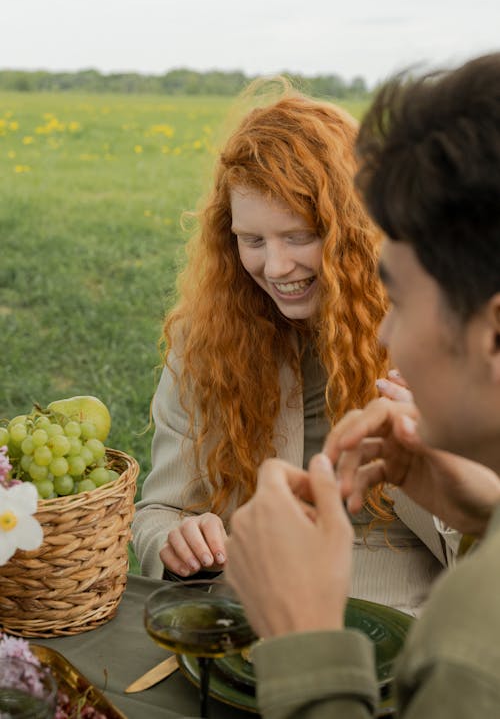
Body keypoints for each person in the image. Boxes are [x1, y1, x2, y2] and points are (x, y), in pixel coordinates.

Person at [225, 52, 500, 718]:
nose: (383, 337)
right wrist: (484, 516)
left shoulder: (468, 641)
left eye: (398, 300)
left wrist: (307, 645)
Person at [132, 84, 456, 614]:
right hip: (249, 616)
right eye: (253, 241)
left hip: (402, 619)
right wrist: (178, 543)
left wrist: (427, 454)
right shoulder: (208, 338)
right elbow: (159, 511)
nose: (276, 267)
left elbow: (480, 536)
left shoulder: (432, 332)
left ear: (353, 233)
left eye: (299, 236)